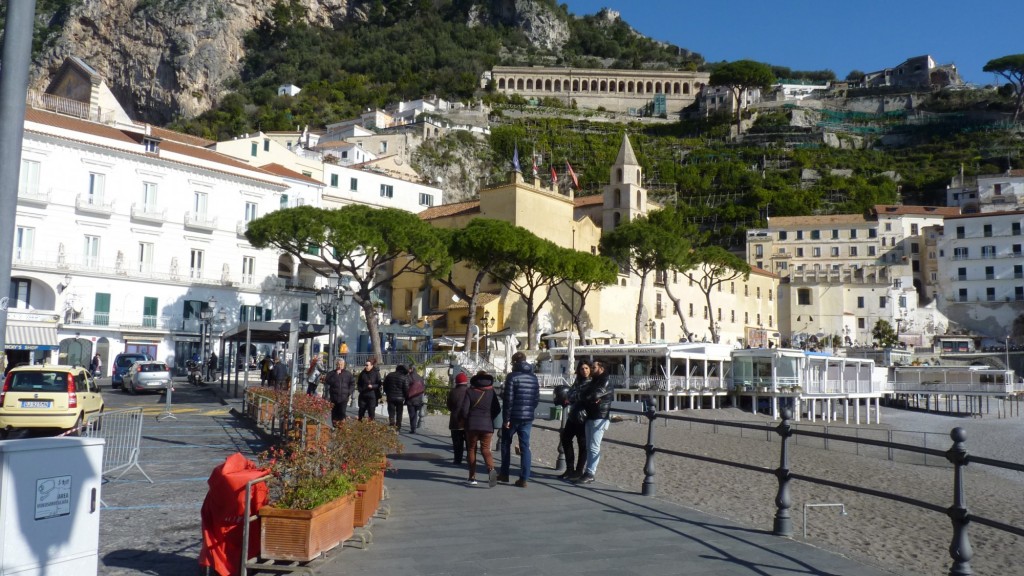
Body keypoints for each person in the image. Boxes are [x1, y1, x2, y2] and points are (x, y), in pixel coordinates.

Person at [498, 351, 540, 488]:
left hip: (513, 417)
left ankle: (504, 473)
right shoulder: (533, 378)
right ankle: (524, 478)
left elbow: (508, 399)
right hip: (527, 417)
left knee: (505, 443)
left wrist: (506, 419)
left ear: (514, 362)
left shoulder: (512, 377)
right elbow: (536, 399)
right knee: (525, 447)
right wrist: (529, 411)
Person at [460, 370, 501, 487]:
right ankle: (491, 469)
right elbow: (497, 409)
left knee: (471, 449)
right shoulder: (491, 392)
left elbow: (464, 411)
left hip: (472, 425)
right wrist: (489, 417)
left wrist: (468, 418)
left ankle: (472, 477)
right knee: (486, 449)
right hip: (487, 425)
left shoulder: (470, 391)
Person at [574, 360, 611, 485]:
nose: (591, 369)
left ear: (601, 368)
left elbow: (594, 394)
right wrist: (588, 397)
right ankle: (587, 471)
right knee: (590, 446)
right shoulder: (595, 380)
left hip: (600, 416)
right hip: (591, 415)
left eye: (593, 367)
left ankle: (590, 473)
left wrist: (590, 397)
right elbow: (586, 394)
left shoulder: (605, 380)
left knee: (594, 446)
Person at [559, 360, 591, 481]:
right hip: (573, 415)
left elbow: (582, 397)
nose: (585, 371)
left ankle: (578, 470)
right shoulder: (578, 381)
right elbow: (570, 395)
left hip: (584, 416)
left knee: (582, 444)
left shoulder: (591, 382)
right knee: (566, 439)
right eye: (582, 369)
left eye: (587, 368)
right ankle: (570, 468)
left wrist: (573, 397)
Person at [446, 371, 470, 465]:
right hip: (468, 421)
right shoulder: (470, 391)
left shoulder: (453, 392)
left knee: (457, 442)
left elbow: (449, 406)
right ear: (466, 382)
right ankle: (470, 458)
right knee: (469, 442)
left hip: (455, 421)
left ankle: (457, 459)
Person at [383, 364, 409, 430]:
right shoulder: (404, 377)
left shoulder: (389, 375)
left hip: (390, 397)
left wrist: (387, 393)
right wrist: (405, 397)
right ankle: (398, 427)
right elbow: (406, 389)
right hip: (400, 398)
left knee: (391, 412)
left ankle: (392, 424)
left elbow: (385, 386)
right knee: (399, 413)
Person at [405, 366, 426, 434]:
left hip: (411, 398)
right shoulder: (420, 377)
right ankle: (414, 426)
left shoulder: (408, 377)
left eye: (409, 369)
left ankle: (413, 428)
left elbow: (406, 387)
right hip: (419, 398)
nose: (408, 370)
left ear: (411, 369)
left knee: (412, 414)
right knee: (415, 413)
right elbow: (423, 387)